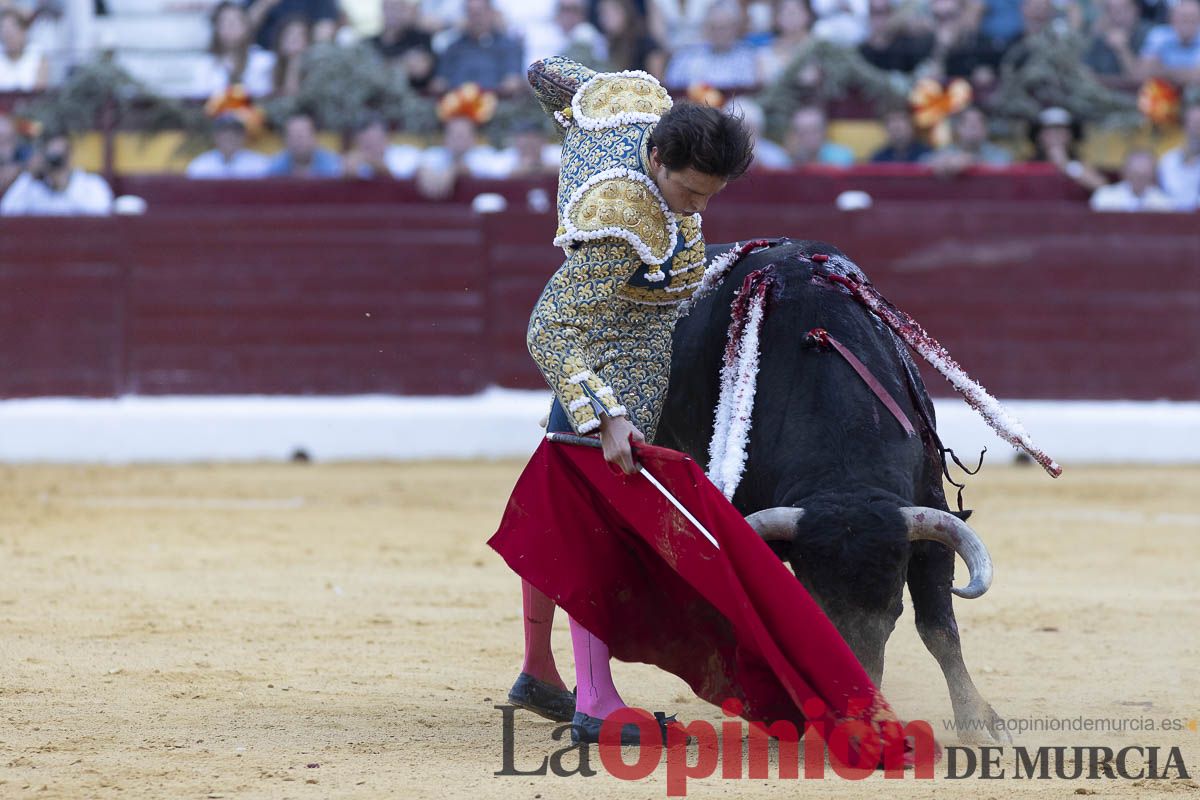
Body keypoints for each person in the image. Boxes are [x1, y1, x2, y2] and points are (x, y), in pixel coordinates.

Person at [508, 55, 754, 745]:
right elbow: (550, 328)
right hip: (616, 357)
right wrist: (606, 413)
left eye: (711, 195)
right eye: (690, 191)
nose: (699, 207)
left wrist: (566, 105)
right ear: (655, 157)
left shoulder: (632, 102)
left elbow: (548, 72)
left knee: (560, 512)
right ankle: (595, 699)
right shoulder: (621, 228)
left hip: (627, 343)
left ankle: (537, 668)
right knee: (600, 526)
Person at [1, 133, 112, 215]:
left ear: (70, 157)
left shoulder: (92, 185)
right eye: (51, 159)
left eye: (59, 159)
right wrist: (28, 176)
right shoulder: (34, 187)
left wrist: (63, 186)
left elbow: (101, 215)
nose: (55, 166)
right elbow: (7, 212)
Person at [430, 0, 524, 94]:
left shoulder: (509, 47)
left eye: (479, 13)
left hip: (497, 104)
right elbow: (440, 81)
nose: (476, 19)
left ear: (491, 13)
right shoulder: (453, 48)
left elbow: (513, 80)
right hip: (457, 104)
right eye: (471, 13)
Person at [663, 1, 759, 90]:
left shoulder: (748, 57)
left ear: (735, 28)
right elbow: (672, 89)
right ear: (705, 28)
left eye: (723, 28)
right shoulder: (686, 56)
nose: (718, 33)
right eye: (713, 28)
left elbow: (750, 91)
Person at [193, 2, 277, 99]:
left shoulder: (265, 61)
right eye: (223, 22)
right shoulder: (205, 64)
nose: (229, 27)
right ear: (216, 28)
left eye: (234, 22)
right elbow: (200, 99)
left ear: (246, 26)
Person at [923, 105, 1012, 174]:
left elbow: (1002, 168)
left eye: (979, 123)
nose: (973, 128)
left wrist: (969, 161)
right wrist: (939, 162)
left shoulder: (999, 155)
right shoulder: (946, 153)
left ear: (986, 129)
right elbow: (921, 163)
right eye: (967, 123)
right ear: (958, 128)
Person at [370, 0, 437, 89]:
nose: (393, 13)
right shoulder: (369, 42)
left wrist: (383, 65)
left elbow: (420, 70)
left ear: (406, 11)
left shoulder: (421, 38)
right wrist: (403, 63)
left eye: (397, 8)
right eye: (389, 8)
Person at [1084, 0, 1150, 89]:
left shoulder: (1151, 36)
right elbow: (1086, 72)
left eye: (1123, 9)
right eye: (1111, 10)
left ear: (1136, 10)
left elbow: (1140, 80)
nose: (1117, 15)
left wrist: (1123, 50)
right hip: (1102, 96)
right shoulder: (1100, 37)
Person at [523, 0, 607, 67]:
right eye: (565, 9)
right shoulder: (541, 36)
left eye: (575, 10)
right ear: (557, 12)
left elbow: (601, 67)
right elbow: (532, 68)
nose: (569, 15)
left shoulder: (592, 35)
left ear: (583, 14)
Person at [186, 113, 271, 178]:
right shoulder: (200, 165)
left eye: (235, 133)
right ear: (215, 137)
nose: (230, 137)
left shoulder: (261, 164)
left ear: (243, 136)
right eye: (224, 133)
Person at [1138, 0, 1200, 86]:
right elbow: (1143, 72)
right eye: (1183, 18)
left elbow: (1197, 77)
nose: (1187, 23)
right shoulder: (1158, 35)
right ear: (1172, 18)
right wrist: (1188, 73)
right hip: (1160, 94)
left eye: (1192, 18)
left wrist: (1162, 71)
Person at [1089, 149, 1175, 210]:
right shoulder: (1105, 197)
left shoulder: (1164, 203)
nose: (1139, 180)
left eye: (1144, 175)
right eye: (1135, 174)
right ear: (1124, 172)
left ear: (1152, 176)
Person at [598, 0, 667, 75]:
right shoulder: (610, 44)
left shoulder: (645, 43)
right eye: (602, 14)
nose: (604, 20)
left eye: (609, 13)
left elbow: (658, 81)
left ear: (625, 11)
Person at [342, 114, 423, 178]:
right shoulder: (354, 161)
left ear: (387, 138)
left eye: (374, 141)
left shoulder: (407, 155)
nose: (371, 147)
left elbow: (398, 181)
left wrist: (372, 162)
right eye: (365, 144)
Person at [724, 95, 791, 169]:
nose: (743, 134)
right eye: (738, 128)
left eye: (748, 127)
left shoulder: (776, 157)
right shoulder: (719, 155)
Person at [265, 112, 342, 176]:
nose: (298, 141)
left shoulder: (333, 165)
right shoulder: (276, 166)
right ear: (285, 140)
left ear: (314, 138)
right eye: (293, 136)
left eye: (302, 136)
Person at [1157, 102, 1200, 210]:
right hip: (1170, 221)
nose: (1197, 131)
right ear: (1185, 126)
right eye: (1194, 124)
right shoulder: (1168, 161)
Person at [758, 0, 813, 83]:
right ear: (776, 17)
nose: (791, 15)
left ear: (808, 14)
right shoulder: (764, 54)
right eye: (785, 10)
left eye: (797, 10)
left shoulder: (821, 49)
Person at [784, 104, 855, 166]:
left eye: (815, 130)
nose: (809, 137)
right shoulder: (788, 158)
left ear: (824, 131)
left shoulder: (841, 156)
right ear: (795, 135)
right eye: (803, 132)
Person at [0, 9, 49, 91]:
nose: (9, 37)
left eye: (13, 32)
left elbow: (40, 93)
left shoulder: (39, 56)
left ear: (23, 31)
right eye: (5, 32)